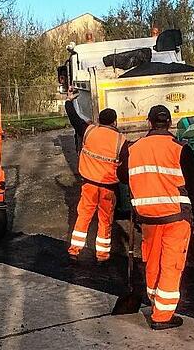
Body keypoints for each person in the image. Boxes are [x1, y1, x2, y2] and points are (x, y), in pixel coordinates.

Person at [117, 105, 194, 331]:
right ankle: (162, 316)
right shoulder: (180, 149)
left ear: (149, 123)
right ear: (170, 123)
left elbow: (122, 175)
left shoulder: (133, 148)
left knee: (153, 258)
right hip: (175, 216)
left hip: (147, 217)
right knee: (171, 263)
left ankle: (155, 299)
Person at [65, 90, 127, 262]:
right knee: (105, 220)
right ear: (115, 122)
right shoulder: (121, 141)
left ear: (99, 120)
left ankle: (74, 250)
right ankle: (102, 255)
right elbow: (126, 165)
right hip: (108, 187)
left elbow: (74, 119)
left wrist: (69, 101)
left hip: (89, 185)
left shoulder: (89, 131)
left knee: (83, 216)